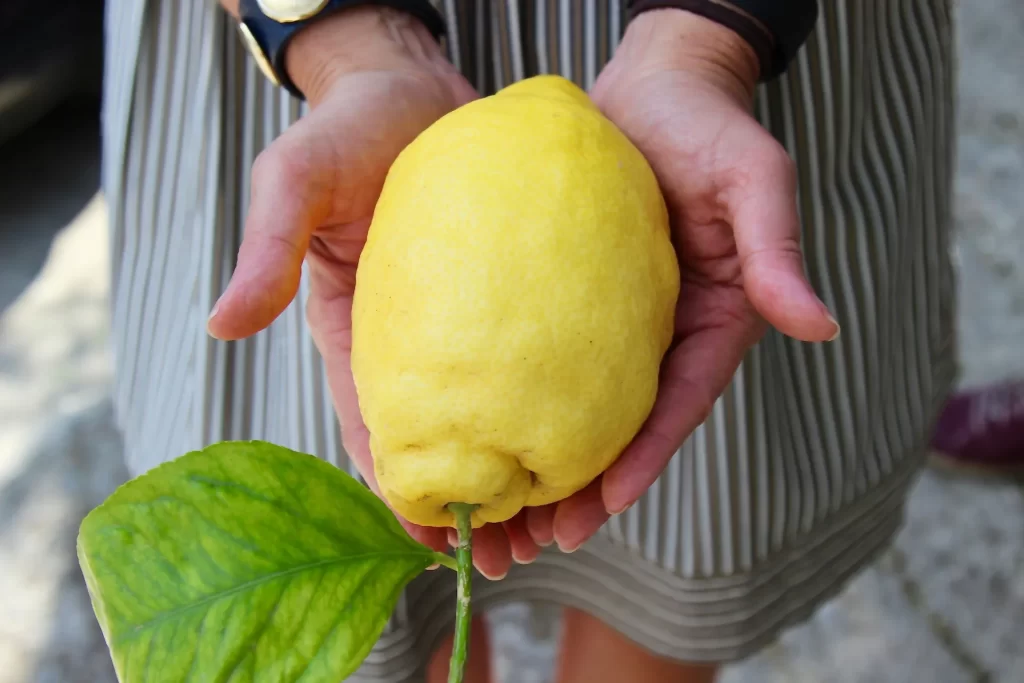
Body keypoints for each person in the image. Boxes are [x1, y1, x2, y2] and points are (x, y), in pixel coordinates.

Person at [102, 1, 956, 681]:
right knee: (391, 621)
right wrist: (342, 40)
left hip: (722, 49)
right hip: (319, 67)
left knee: (677, 563)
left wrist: (708, 40)